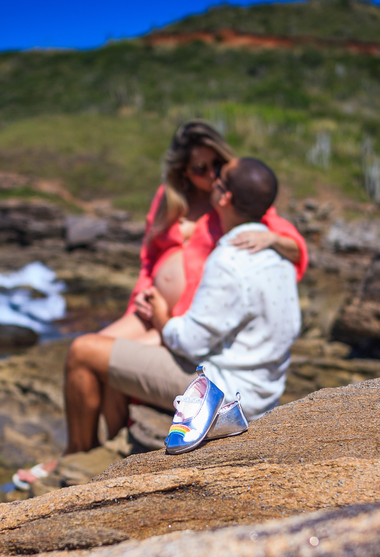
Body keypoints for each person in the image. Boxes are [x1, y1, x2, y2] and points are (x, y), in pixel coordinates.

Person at [30, 158, 299, 480]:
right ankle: (110, 448)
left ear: (225, 198)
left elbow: (190, 341)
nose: (212, 179)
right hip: (262, 390)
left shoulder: (230, 258)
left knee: (83, 351)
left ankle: (72, 458)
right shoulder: (280, 256)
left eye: (219, 178)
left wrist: (161, 316)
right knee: (114, 357)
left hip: (223, 389)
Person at [99, 120, 308, 344]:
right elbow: (148, 258)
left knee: (100, 359)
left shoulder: (236, 200)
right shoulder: (167, 199)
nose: (211, 174)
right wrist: (143, 291)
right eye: (200, 168)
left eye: (217, 164)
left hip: (190, 321)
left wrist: (272, 238)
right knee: (91, 346)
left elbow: (296, 249)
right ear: (184, 172)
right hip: (152, 308)